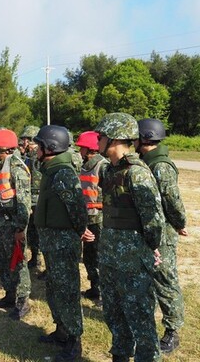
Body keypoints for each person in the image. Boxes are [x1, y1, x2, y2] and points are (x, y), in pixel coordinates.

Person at [95, 112, 165, 362]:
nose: (97, 142)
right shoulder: (110, 171)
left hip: (133, 261)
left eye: (100, 137)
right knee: (115, 316)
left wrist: (150, 248)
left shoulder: (138, 173)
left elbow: (154, 221)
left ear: (114, 139)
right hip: (111, 258)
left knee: (141, 320)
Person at [34, 125, 88, 362]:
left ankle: (75, 342)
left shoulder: (63, 173)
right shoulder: (50, 170)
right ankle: (61, 330)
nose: (35, 149)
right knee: (55, 289)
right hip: (51, 241)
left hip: (63, 242)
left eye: (39, 145)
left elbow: (77, 210)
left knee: (67, 291)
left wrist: (78, 232)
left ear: (50, 147)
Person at [135, 118, 188, 354]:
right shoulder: (146, 162)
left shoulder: (160, 166)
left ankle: (172, 330)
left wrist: (179, 224)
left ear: (145, 138)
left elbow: (172, 201)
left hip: (163, 232)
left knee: (165, 279)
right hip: (149, 229)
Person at [0, 129, 32, 321]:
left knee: (18, 262)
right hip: (1, 222)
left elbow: (24, 201)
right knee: (3, 260)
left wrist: (20, 228)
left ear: (3, 148)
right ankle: (9, 294)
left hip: (14, 223)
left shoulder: (16, 167)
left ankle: (23, 301)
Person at [75, 130, 108, 301]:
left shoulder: (102, 166)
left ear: (89, 150)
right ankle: (95, 287)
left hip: (100, 218)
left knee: (99, 256)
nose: (79, 152)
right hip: (87, 217)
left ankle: (103, 293)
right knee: (89, 256)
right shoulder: (84, 166)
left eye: (81, 148)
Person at [19, 125, 42, 268]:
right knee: (33, 232)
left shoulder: (35, 156)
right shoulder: (31, 156)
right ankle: (35, 257)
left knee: (36, 231)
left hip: (35, 200)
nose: (24, 143)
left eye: (26, 140)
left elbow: (36, 182)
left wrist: (32, 202)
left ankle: (37, 258)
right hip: (34, 199)